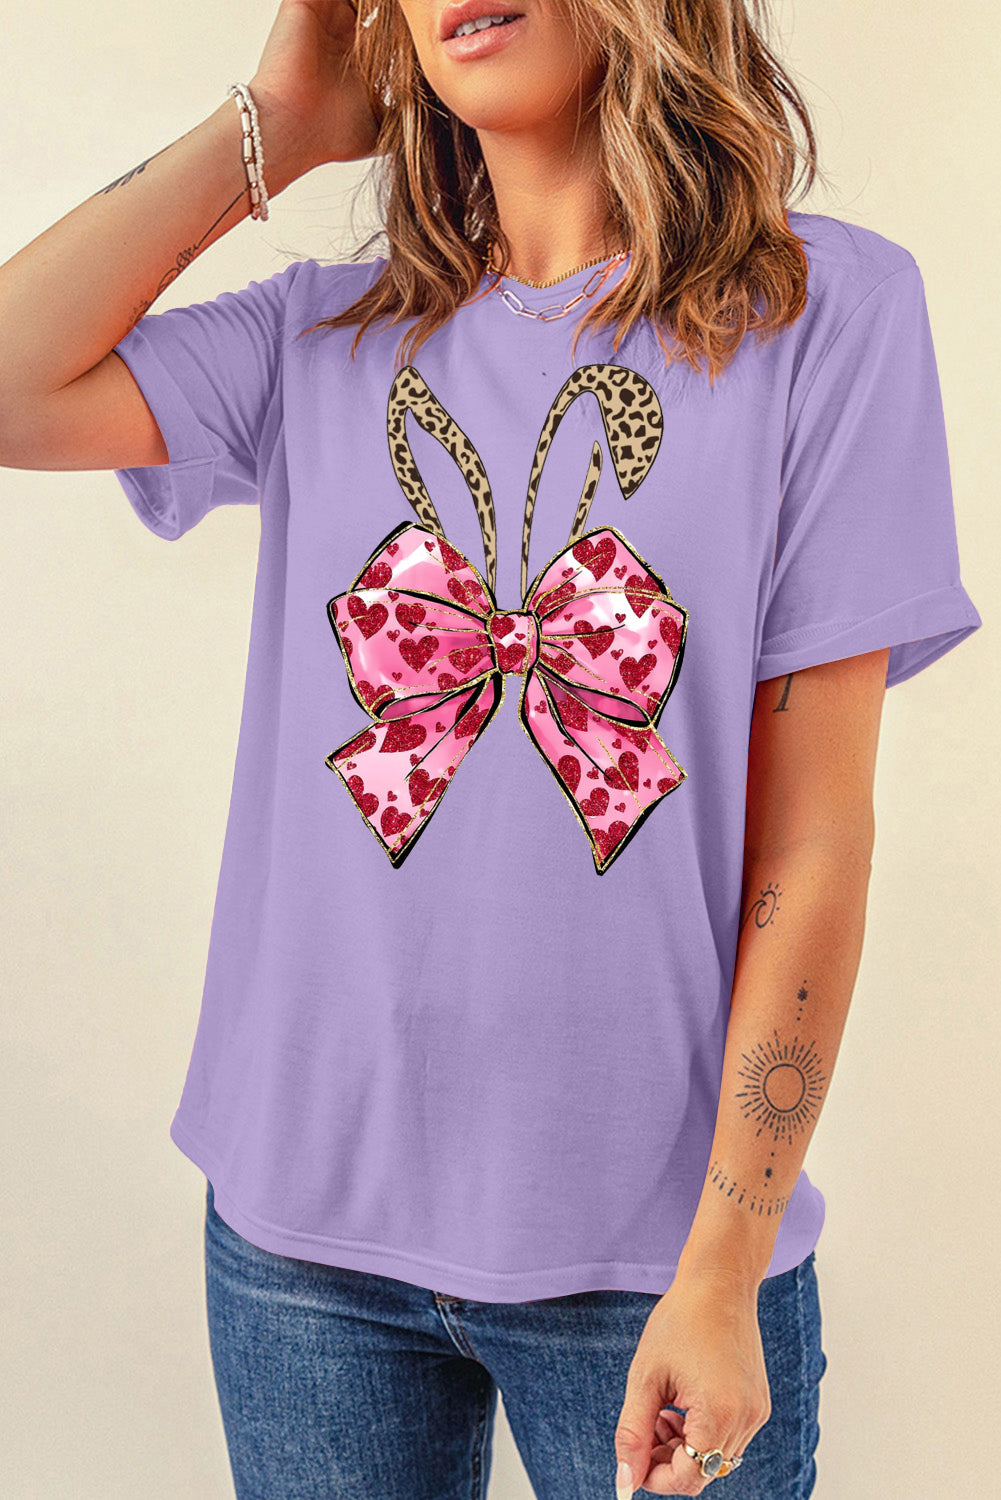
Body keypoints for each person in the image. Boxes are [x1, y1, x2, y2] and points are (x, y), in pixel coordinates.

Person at [0, 1, 982, 1496]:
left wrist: (724, 1267)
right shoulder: (322, 334)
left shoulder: (822, 315)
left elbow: (814, 840)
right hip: (301, 1251)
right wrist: (274, 127)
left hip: (658, 1260)